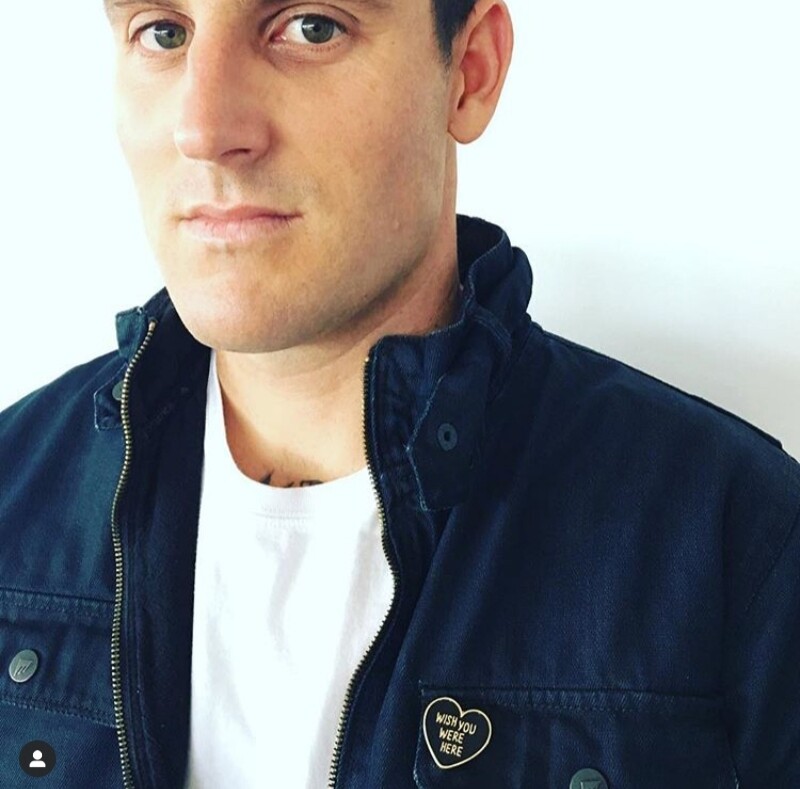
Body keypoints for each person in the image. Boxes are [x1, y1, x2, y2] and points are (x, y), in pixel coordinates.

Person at [0, 0, 797, 786]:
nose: (203, 128)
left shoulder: (739, 541)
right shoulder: (12, 494)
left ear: (470, 72)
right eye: (163, 32)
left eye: (311, 27)